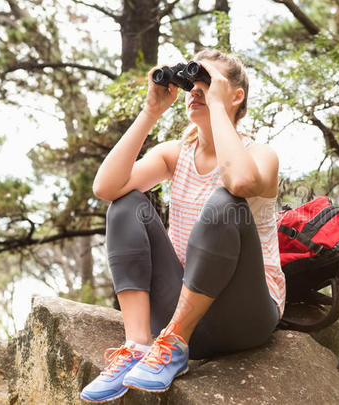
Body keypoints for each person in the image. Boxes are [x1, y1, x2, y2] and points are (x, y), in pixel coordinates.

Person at [80, 49, 286, 403]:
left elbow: (238, 182)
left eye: (206, 82)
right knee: (125, 204)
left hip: (245, 316)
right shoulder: (175, 153)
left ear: (235, 96)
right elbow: (105, 188)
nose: (195, 90)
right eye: (192, 82)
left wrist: (218, 107)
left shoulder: (260, 155)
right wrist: (151, 111)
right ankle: (138, 345)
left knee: (225, 203)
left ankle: (175, 342)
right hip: (182, 308)